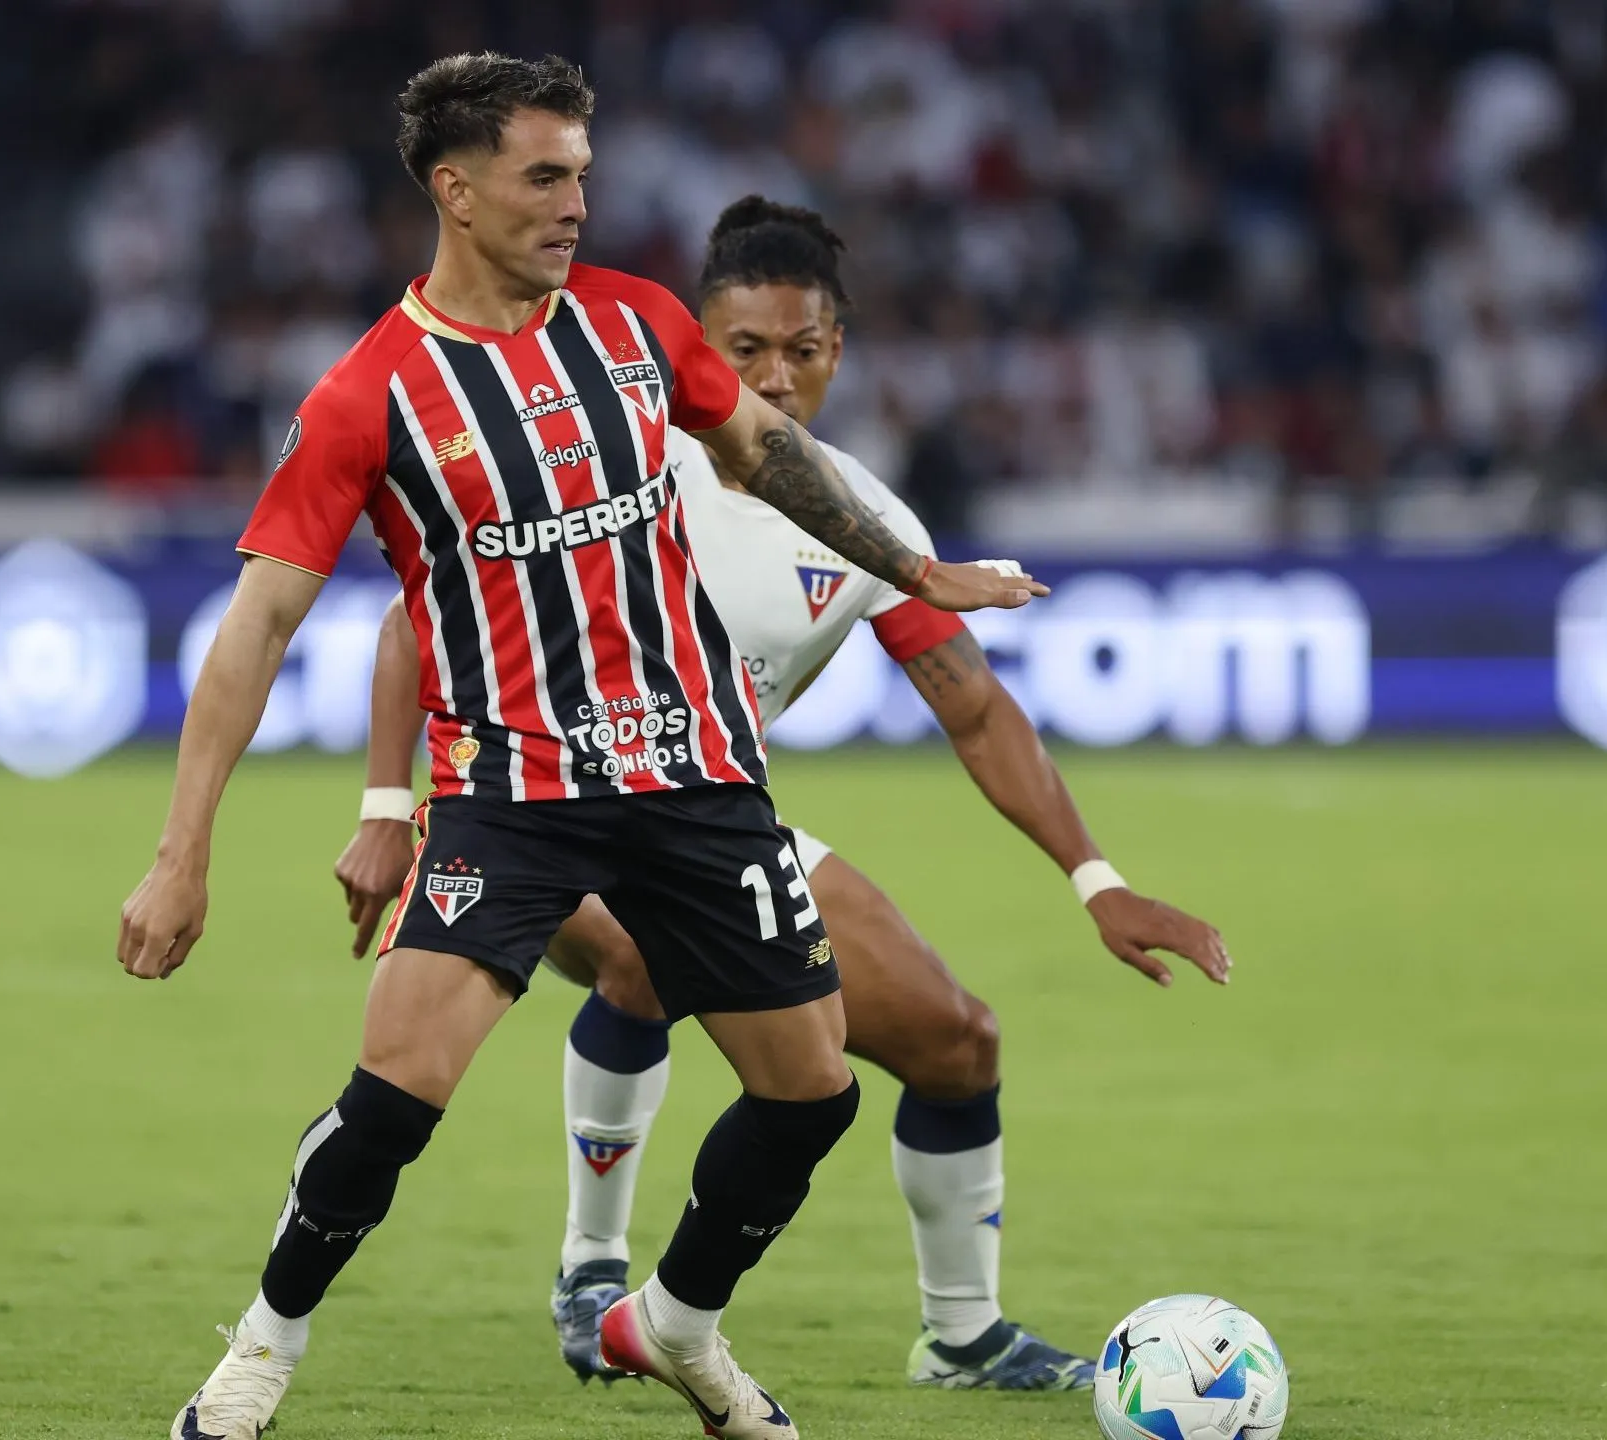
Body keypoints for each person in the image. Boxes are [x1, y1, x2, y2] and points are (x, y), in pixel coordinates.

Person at [114, 55, 1044, 1440]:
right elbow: (254, 632)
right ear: (457, 190)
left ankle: (675, 1325)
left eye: (584, 175)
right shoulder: (373, 395)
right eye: (545, 177)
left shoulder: (634, 322)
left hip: (701, 780)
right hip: (513, 800)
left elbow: (768, 456)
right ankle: (258, 1353)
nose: (576, 204)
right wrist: (182, 853)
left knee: (812, 1097)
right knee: (392, 1105)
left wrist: (917, 567)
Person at [333, 198, 1231, 1396]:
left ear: (835, 351)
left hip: (699, 816)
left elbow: (971, 705)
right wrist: (390, 802)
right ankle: (592, 1268)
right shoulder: (605, 444)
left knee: (960, 1045)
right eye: (742, 350)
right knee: (642, 953)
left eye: (799, 349)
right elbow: (412, 617)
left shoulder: (858, 519)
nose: (774, 375)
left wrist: (1097, 881)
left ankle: (962, 1337)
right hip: (520, 803)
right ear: (696, 344)